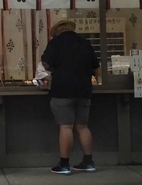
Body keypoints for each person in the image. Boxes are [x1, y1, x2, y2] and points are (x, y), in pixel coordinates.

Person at [39, 18, 100, 174]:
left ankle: (64, 165)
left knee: (66, 126)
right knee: (83, 126)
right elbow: (97, 67)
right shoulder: (85, 43)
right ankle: (88, 162)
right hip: (84, 90)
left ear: (57, 31)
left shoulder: (56, 42)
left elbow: (45, 65)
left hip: (63, 90)